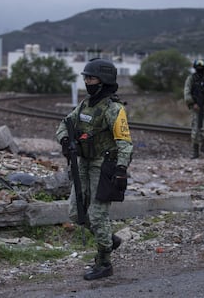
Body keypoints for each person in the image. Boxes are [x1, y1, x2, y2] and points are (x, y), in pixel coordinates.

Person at [56, 58, 133, 280]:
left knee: (97, 215)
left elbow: (125, 142)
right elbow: (64, 124)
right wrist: (64, 141)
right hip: (83, 163)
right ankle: (109, 239)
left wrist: (121, 169)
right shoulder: (84, 105)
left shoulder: (113, 109)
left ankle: (104, 263)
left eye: (91, 78)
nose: (87, 82)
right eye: (86, 78)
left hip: (103, 166)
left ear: (104, 80)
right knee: (76, 211)